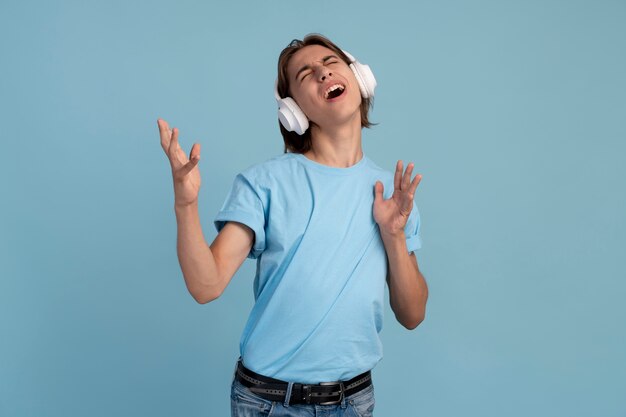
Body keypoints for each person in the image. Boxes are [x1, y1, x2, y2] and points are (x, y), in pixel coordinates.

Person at [158, 33, 428, 417]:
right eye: (306, 74)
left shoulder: (393, 195)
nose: (322, 73)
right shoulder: (264, 183)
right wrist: (185, 204)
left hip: (354, 402)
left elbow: (412, 314)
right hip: (269, 403)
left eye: (331, 63)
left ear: (359, 79)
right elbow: (206, 286)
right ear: (293, 112)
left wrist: (394, 235)